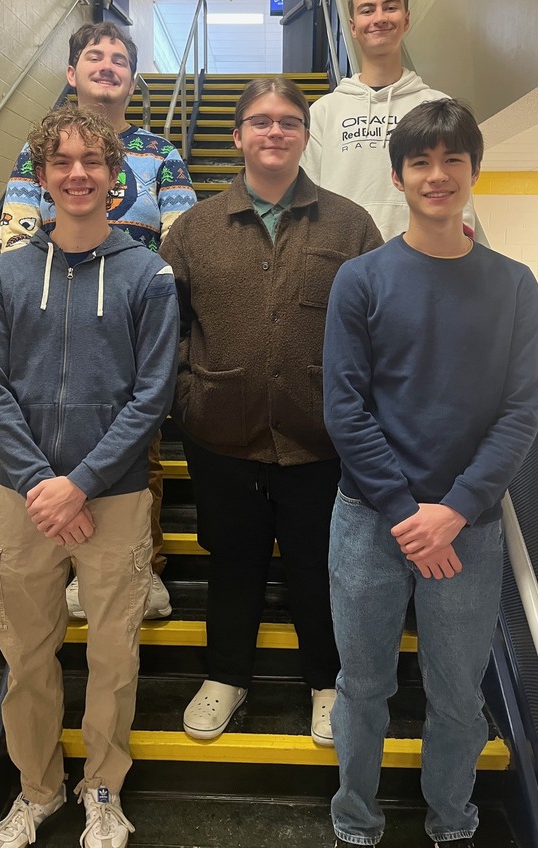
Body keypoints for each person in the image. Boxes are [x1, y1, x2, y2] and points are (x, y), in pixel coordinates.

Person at [323, 99, 538, 847]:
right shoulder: (361, 279)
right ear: (398, 175)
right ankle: (356, 819)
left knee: (457, 695)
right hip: (369, 522)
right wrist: (406, 514)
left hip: (467, 532)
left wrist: (452, 512)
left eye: (453, 159)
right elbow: (345, 411)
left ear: (474, 170)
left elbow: (520, 413)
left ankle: (453, 821)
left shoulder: (515, 285)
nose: (438, 174)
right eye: (421, 161)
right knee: (362, 688)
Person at [0, 106, 179, 848]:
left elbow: (153, 394)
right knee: (27, 660)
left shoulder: (148, 274)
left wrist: (81, 482)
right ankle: (37, 791)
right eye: (60, 162)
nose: (78, 174)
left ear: (115, 173)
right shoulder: (4, 275)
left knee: (113, 656)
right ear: (41, 175)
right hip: (24, 498)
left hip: (114, 497)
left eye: (92, 160)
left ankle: (102, 790)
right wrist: (40, 483)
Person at [160, 78, 383, 746]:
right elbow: (162, 330)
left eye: (289, 121)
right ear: (237, 136)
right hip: (221, 435)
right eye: (260, 121)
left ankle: (326, 684)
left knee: (321, 566)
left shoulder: (350, 225)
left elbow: (380, 329)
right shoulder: (195, 229)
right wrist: (186, 395)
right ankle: (225, 678)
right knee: (233, 560)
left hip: (321, 437)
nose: (275, 132)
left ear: (305, 136)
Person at [0, 20, 196, 621]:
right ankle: (62, 565)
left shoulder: (159, 153)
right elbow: (14, 242)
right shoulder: (38, 155)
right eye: (94, 56)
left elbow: (182, 242)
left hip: (129, 327)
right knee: (45, 446)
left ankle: (145, 567)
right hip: (47, 325)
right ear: (71, 73)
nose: (107, 65)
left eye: (119, 59)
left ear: (133, 78)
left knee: (143, 451)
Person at [300, 0, 474, 239]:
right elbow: (308, 199)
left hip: (422, 260)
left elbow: (459, 197)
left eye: (390, 7)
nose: (379, 18)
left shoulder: (437, 106)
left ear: (405, 20)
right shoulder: (324, 112)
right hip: (343, 263)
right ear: (354, 28)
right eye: (368, 10)